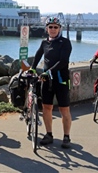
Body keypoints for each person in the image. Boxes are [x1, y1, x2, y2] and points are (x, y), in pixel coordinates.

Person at [30, 17, 72, 149]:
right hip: (46, 80)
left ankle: (66, 136)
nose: (53, 29)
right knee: (47, 108)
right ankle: (49, 134)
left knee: (63, 109)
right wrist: (32, 68)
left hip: (61, 80)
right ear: (47, 29)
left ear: (59, 29)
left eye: (55, 27)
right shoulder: (44, 43)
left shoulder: (65, 43)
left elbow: (63, 61)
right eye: (50, 27)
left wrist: (49, 72)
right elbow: (38, 56)